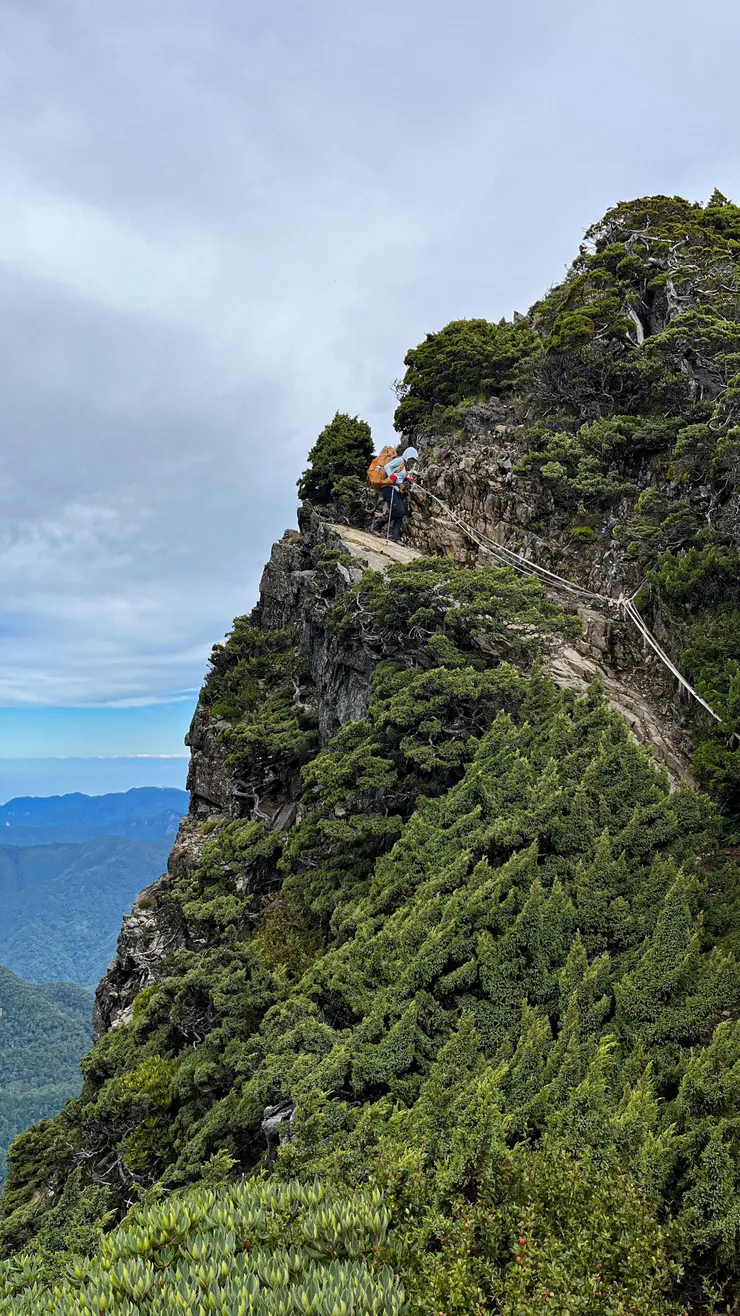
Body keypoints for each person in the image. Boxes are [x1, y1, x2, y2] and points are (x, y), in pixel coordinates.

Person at [371, 446, 418, 542]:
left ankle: (396, 537)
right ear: (408, 456)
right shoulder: (400, 461)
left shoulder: (403, 465)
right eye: (412, 458)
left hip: (395, 489)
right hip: (389, 489)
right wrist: (391, 475)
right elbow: (387, 467)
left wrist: (406, 479)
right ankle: (377, 526)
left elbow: (398, 477)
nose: (412, 461)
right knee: (398, 511)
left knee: (400, 513)